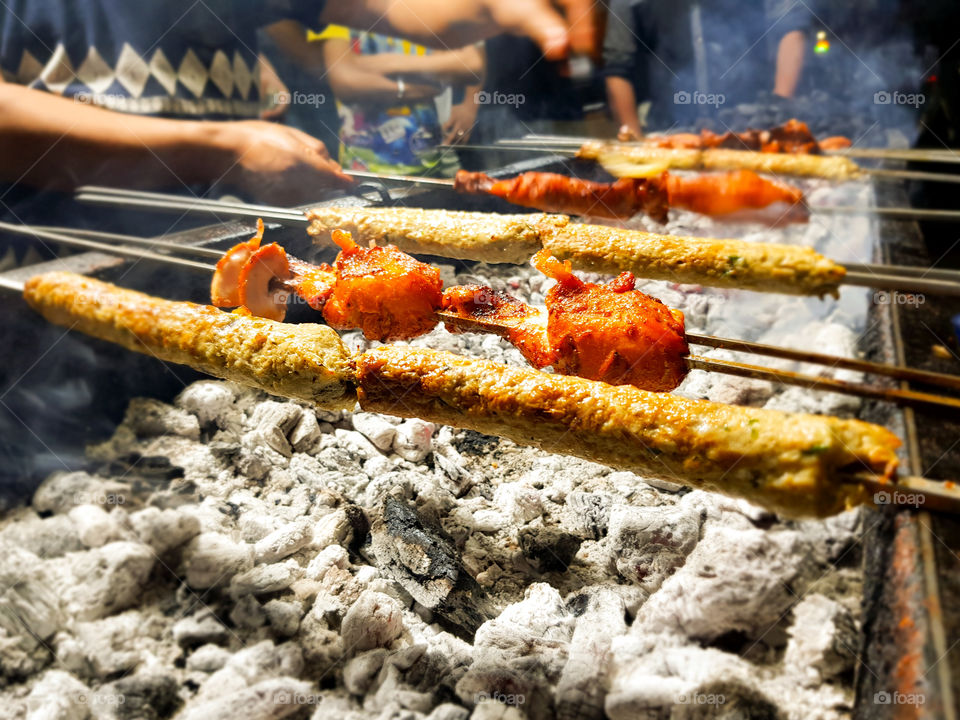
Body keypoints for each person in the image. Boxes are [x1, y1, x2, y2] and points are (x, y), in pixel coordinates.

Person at [0, 0, 599, 210]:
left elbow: (412, 9)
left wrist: (499, 8)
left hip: (235, 249)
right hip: (58, 269)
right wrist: (218, 149)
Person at [265, 20, 483, 176]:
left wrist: (376, 66)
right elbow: (346, 83)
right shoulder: (340, 11)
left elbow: (469, 63)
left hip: (438, 153)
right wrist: (424, 79)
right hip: (369, 167)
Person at [602, 0, 812, 138]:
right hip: (669, 133)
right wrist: (635, 142)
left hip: (748, 130)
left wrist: (778, 109)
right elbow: (618, 66)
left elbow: (791, 26)